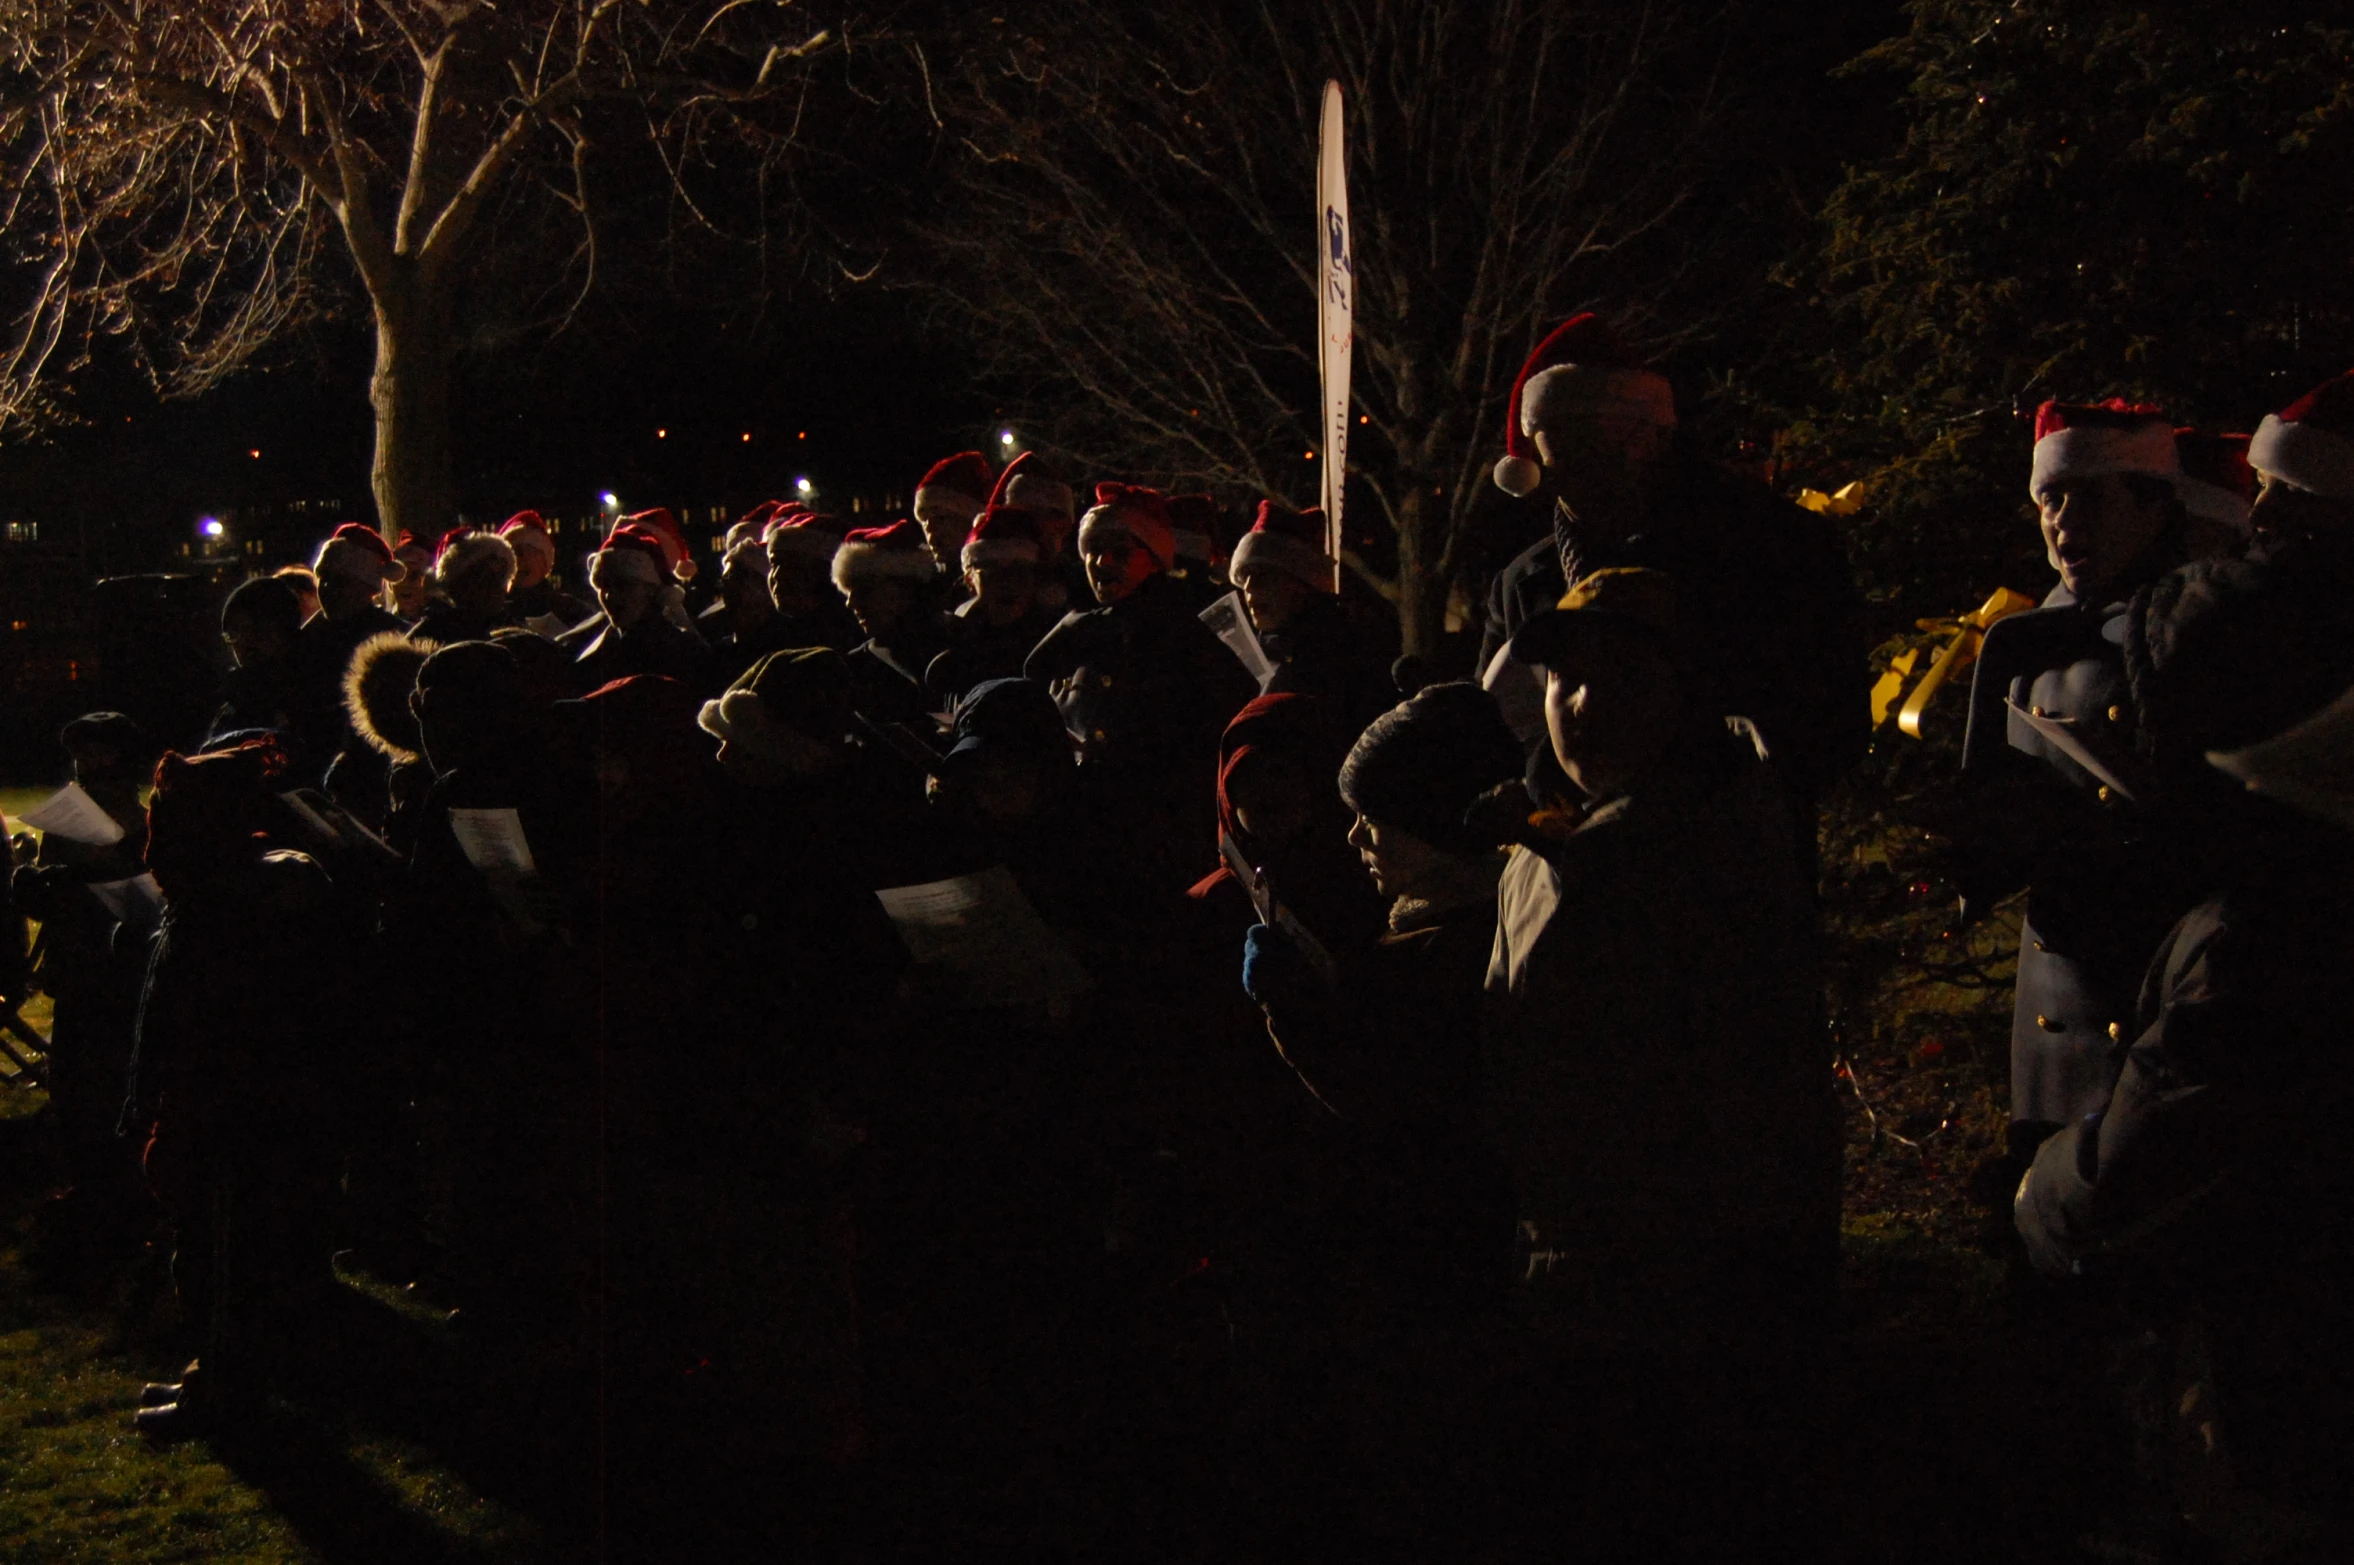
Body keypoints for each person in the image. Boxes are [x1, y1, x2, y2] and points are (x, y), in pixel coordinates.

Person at [1951, 400, 2242, 1173]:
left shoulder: (2203, 632)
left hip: (2155, 997)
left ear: (2155, 508)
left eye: (2091, 497)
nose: (2062, 521)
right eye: (2051, 497)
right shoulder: (2031, 636)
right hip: (2055, 1002)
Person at [1475, 314, 1866, 838]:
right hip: (1583, 867)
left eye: (1587, 449)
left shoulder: (1769, 544)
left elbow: (1825, 717)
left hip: (1735, 856)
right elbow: (1497, 728)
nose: (1567, 481)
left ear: (1645, 436)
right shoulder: (1524, 580)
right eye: (1556, 460)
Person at [129, 739, 350, 1437]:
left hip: (236, 1109)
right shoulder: (203, 884)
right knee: (205, 1252)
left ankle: (228, 1392)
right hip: (209, 1099)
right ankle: (217, 1370)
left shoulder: (248, 888)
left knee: (226, 1255)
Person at [1026, 483, 1259, 904]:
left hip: (1160, 847)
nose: (1102, 562)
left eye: (1119, 549)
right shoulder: (1084, 634)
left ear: (1152, 558)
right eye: (1093, 550)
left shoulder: (1183, 639)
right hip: (1093, 840)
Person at [12, 712, 160, 1276]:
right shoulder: (67, 822)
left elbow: (152, 892)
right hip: (76, 971)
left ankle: (128, 1197)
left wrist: (117, 860)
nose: (87, 769)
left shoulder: (146, 819)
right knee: (72, 1086)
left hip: (121, 972)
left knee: (117, 1088)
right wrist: (35, 884)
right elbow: (50, 899)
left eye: (97, 756)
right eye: (80, 758)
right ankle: (88, 1189)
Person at [1230, 501, 1395, 732]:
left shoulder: (1340, 659)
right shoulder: (1265, 656)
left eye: (1264, 574)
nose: (1249, 587)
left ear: (1303, 582)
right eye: (1244, 576)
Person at [290, 524, 409, 775]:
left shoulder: (393, 637)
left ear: (367, 586)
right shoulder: (305, 639)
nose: (328, 589)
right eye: (323, 579)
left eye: (341, 581)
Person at [925, 503, 1062, 705]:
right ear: (970, 580)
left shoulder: (1056, 645)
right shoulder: (950, 644)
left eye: (1019, 570)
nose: (1007, 582)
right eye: (992, 571)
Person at [557, 522, 713, 693]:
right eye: (604, 587)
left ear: (651, 589)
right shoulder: (588, 649)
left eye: (623, 585)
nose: (610, 596)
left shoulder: (684, 652)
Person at [830, 519, 950, 726]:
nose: (851, 603)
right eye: (848, 592)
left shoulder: (958, 648)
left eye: (865, 590)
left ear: (906, 587)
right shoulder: (856, 667)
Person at [204, 575, 307, 749]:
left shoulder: (305, 692)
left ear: (284, 629)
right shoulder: (233, 699)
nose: (245, 641)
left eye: (256, 628)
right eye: (234, 633)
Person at [763, 512, 865, 653]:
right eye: (774, 564)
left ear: (825, 571)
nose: (778, 575)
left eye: (792, 565)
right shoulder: (769, 639)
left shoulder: (850, 643)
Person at [411, 531, 518, 646]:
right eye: (481, 577)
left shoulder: (513, 634)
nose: (493, 588)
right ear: (457, 583)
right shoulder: (430, 634)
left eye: (501, 578)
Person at [911, 451, 994, 581]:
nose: (930, 529)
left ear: (971, 519)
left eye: (941, 518)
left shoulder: (994, 583)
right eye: (924, 521)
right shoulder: (925, 587)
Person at [500, 511, 592, 629]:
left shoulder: (569, 610)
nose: (524, 559)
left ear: (546, 561)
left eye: (533, 552)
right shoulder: (495, 611)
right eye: (517, 552)